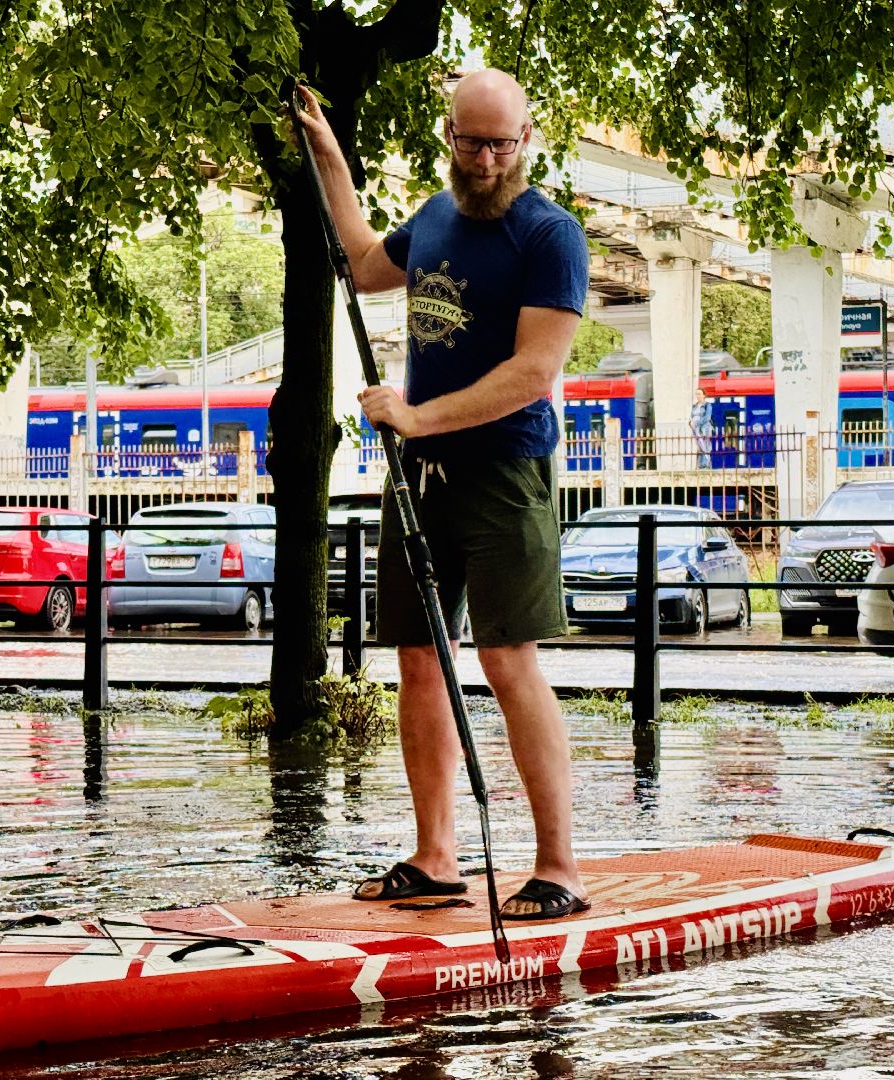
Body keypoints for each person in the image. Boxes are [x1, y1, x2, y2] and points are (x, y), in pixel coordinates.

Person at [296, 70, 591, 920]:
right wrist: (329, 155)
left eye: (504, 143)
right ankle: (434, 857)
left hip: (505, 473)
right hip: (421, 479)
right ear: (450, 138)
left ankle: (559, 867)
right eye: (474, 142)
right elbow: (357, 261)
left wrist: (418, 418)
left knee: (506, 659)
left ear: (527, 137)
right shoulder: (430, 220)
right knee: (420, 661)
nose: (490, 158)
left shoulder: (550, 235)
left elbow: (534, 374)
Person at [689, 388, 713, 468]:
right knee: (700, 445)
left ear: (704, 395)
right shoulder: (694, 406)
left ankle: (705, 464)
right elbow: (691, 416)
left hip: (704, 427)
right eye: (697, 394)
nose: (698, 396)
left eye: (699, 394)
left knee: (705, 445)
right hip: (695, 428)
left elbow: (707, 417)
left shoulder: (707, 405)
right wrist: (690, 423)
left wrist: (697, 423)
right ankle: (703, 463)